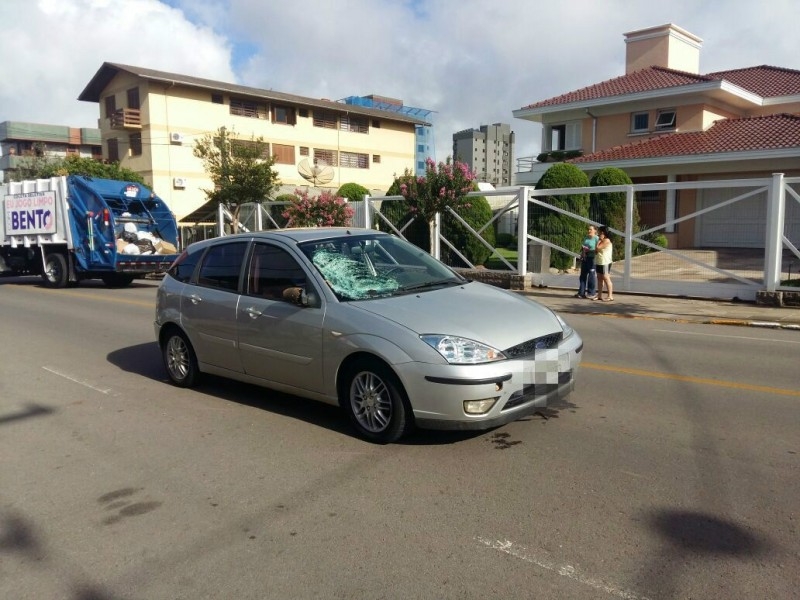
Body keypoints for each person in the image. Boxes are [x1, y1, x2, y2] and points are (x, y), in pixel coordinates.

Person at [575, 225, 598, 299]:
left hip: (592, 259)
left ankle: (591, 293)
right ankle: (581, 293)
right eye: (588, 229)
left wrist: (590, 250)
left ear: (595, 231)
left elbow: (598, 250)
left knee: (591, 276)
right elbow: (583, 248)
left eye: (591, 229)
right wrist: (582, 254)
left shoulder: (597, 239)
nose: (589, 231)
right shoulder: (586, 238)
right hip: (585, 259)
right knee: (582, 276)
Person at [594, 226, 614, 301]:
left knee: (606, 278)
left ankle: (610, 296)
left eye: (599, 231)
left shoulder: (606, 240)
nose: (598, 233)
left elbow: (598, 248)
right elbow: (596, 251)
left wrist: (599, 240)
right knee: (599, 278)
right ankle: (599, 295)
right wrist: (599, 241)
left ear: (602, 232)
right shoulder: (601, 240)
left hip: (605, 262)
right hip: (599, 261)